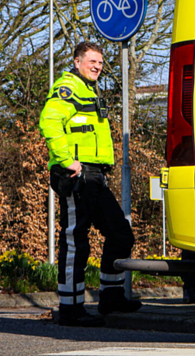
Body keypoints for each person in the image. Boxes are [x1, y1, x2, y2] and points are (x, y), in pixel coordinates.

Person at [39, 41, 142, 326]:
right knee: (75, 241)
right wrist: (67, 160)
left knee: (121, 234)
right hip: (76, 176)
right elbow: (49, 122)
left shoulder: (89, 90)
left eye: (100, 62)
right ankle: (71, 309)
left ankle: (110, 298)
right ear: (76, 61)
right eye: (91, 61)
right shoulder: (68, 87)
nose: (97, 66)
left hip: (94, 176)